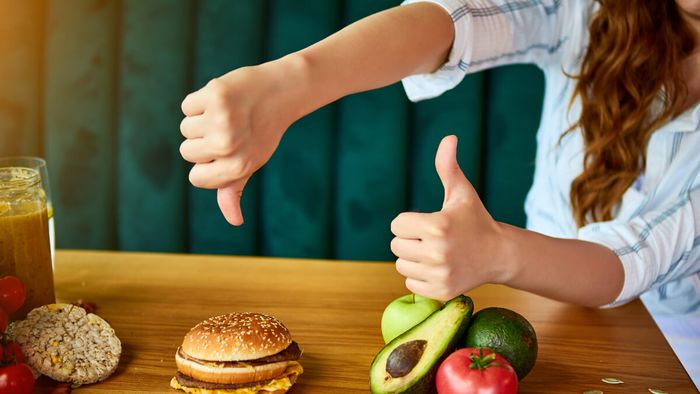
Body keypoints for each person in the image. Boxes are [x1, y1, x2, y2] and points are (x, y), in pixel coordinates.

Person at [178, 0, 700, 386]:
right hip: (533, 318)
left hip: (673, 361)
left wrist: (500, 251)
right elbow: (456, 22)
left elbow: (637, 259)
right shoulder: (595, 11)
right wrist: (291, 83)